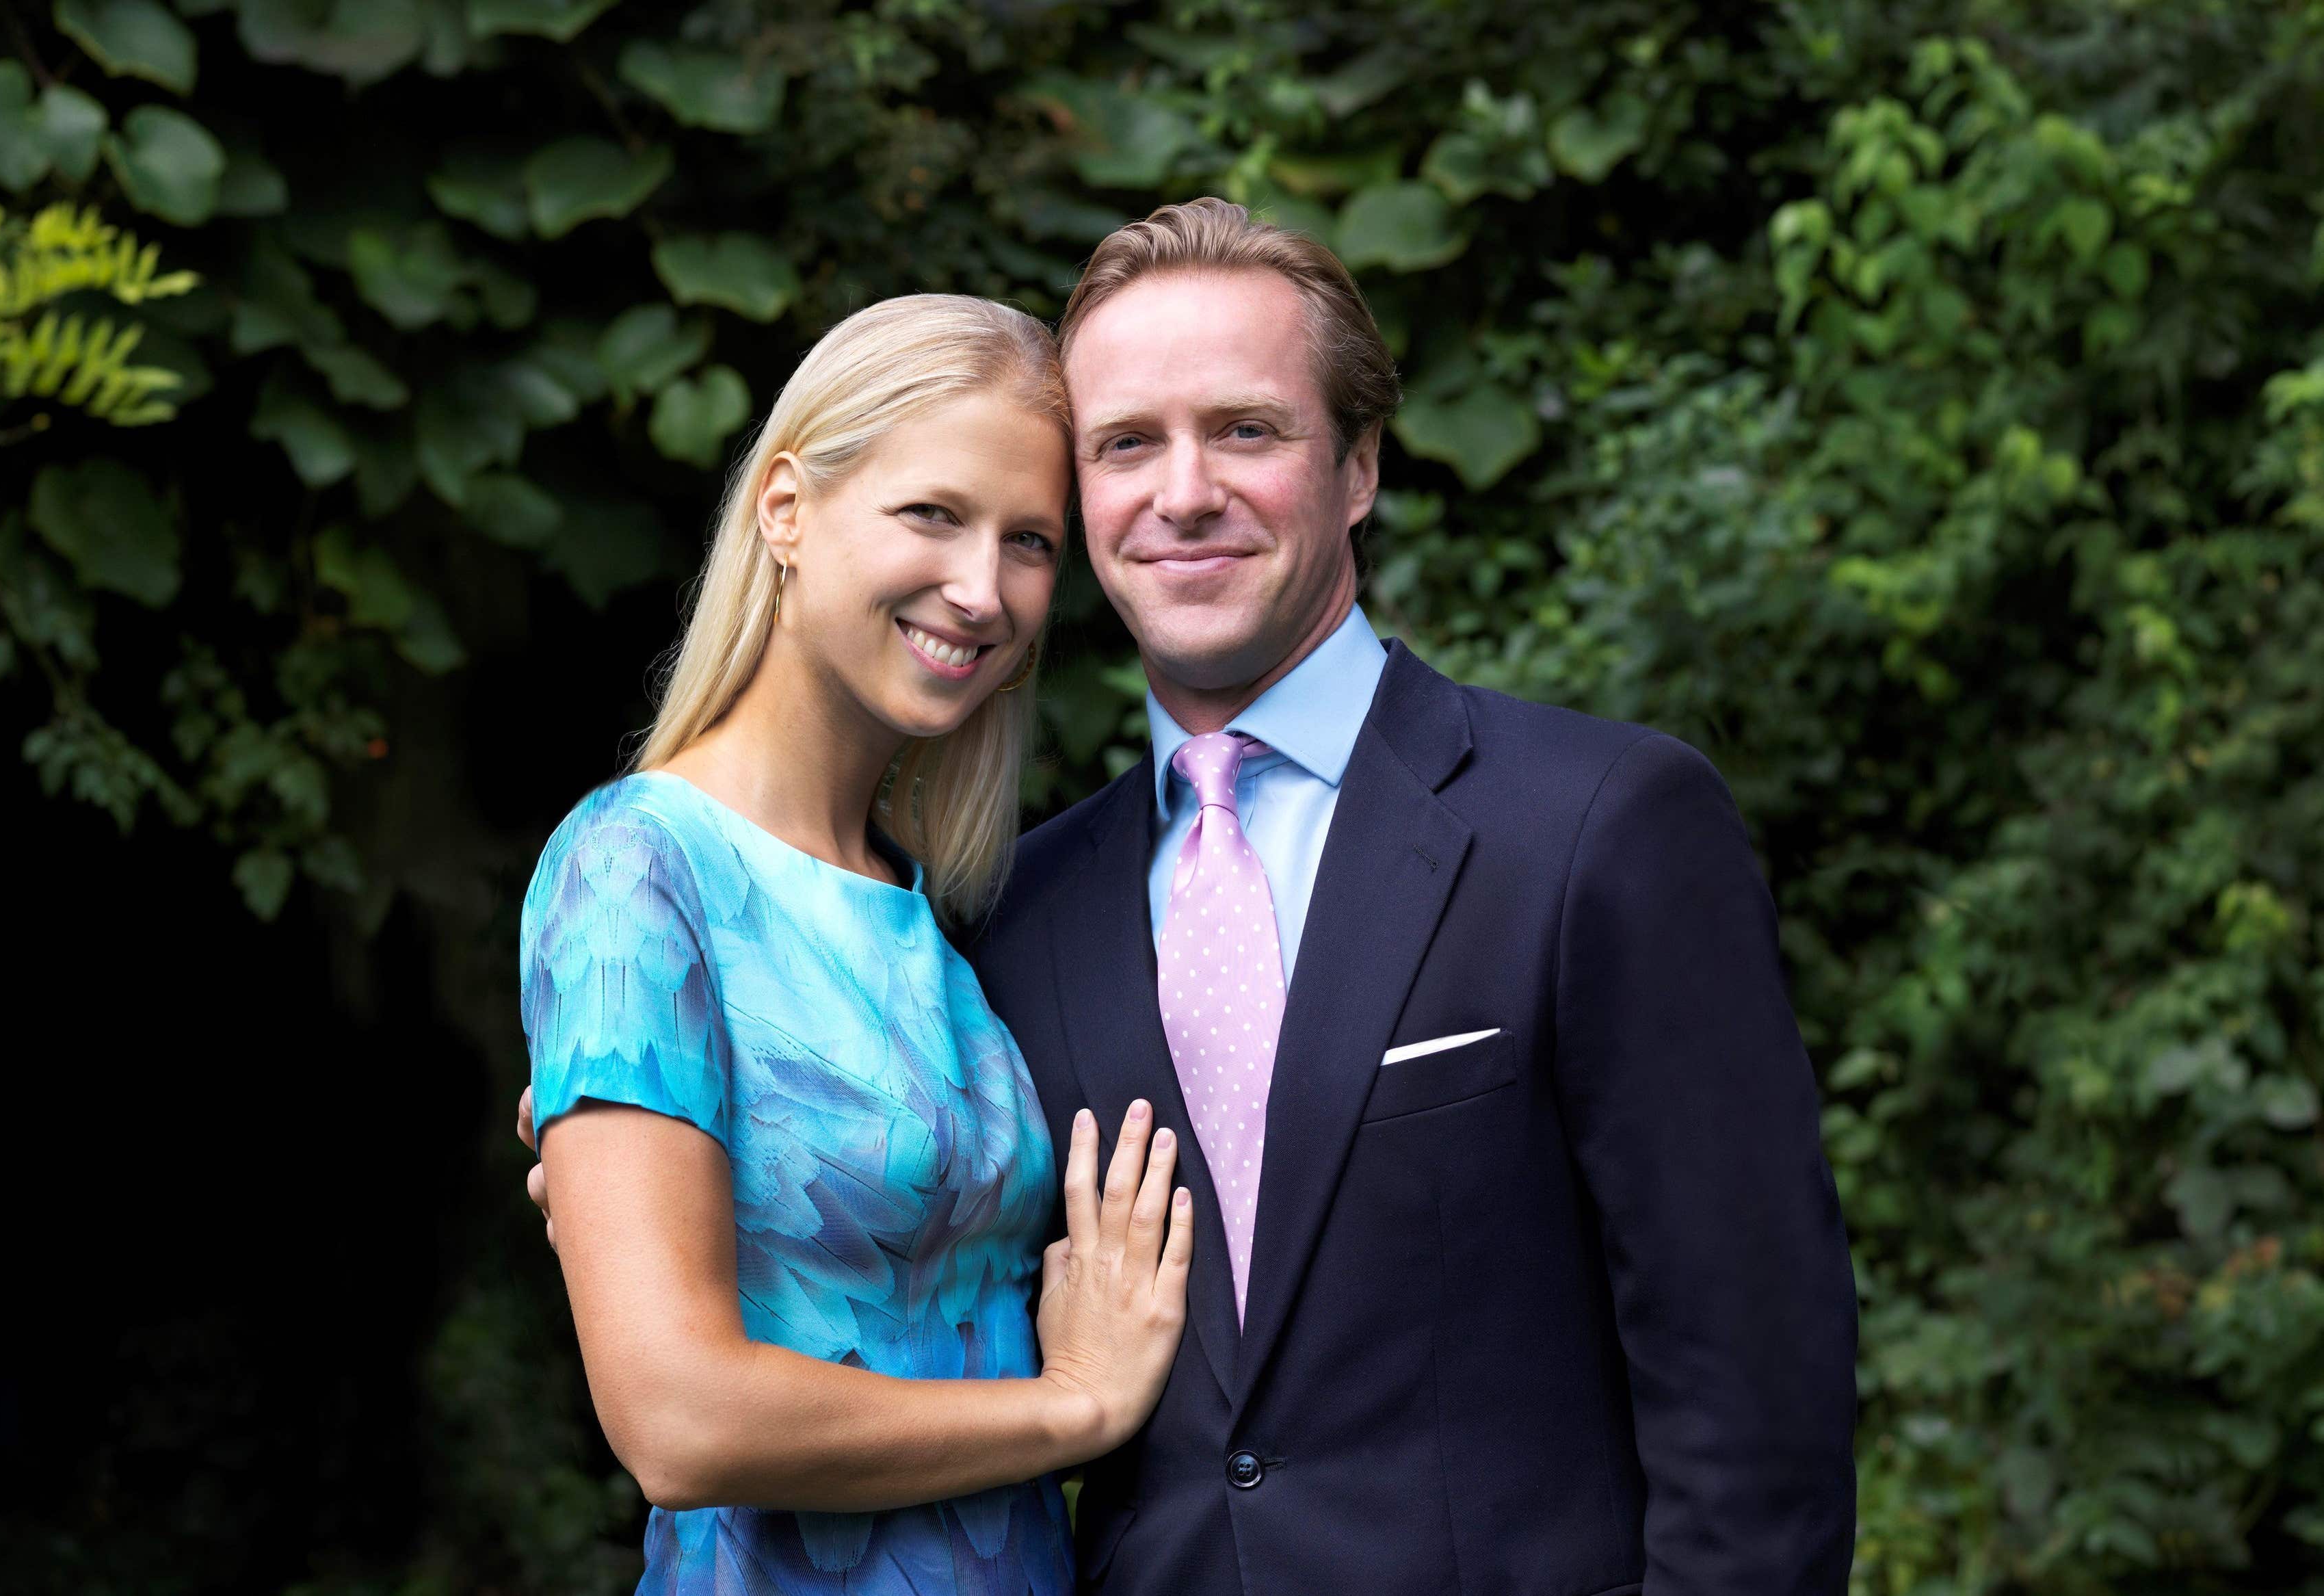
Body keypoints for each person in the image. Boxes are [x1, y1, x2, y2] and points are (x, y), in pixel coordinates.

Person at [529, 199, 1859, 1594]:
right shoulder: (1015, 911)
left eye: (1246, 430)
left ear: (1357, 467)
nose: (1182, 493)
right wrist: (617, 1138)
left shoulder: (1599, 827)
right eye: (1124, 446)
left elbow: (1753, 1393)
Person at [516, 293, 1194, 1596]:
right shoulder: (635, 871)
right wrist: (1074, 1410)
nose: (981, 588)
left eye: (1031, 541)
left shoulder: (938, 906)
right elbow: (677, 1420)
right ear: (785, 507)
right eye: (933, 515)